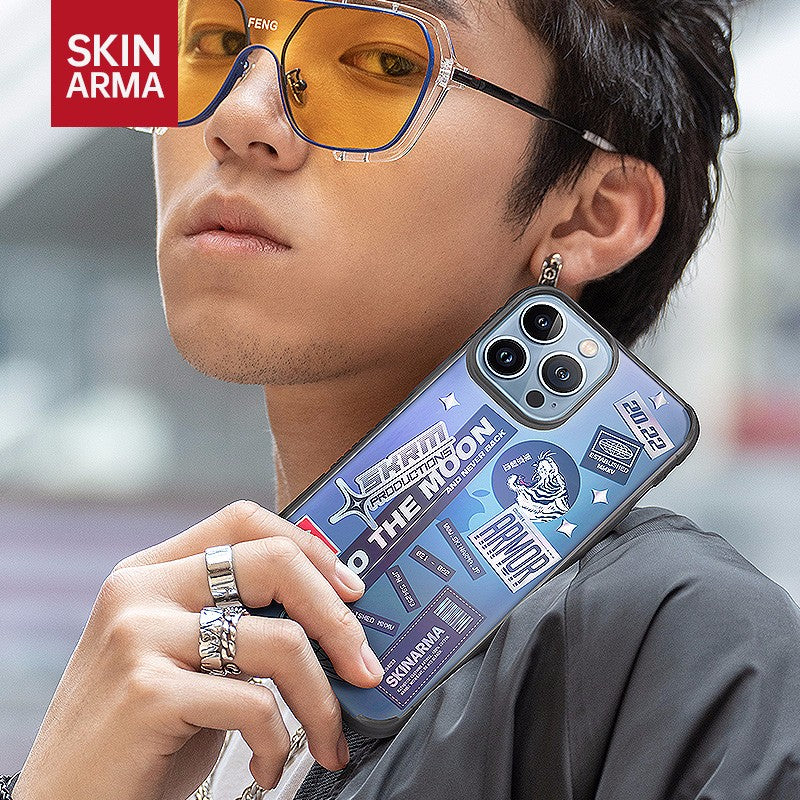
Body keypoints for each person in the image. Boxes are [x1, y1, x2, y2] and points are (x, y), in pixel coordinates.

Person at [6, 0, 800, 798]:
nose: (238, 117)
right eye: (214, 41)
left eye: (384, 63)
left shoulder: (677, 641)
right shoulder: (163, 679)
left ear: (592, 214)